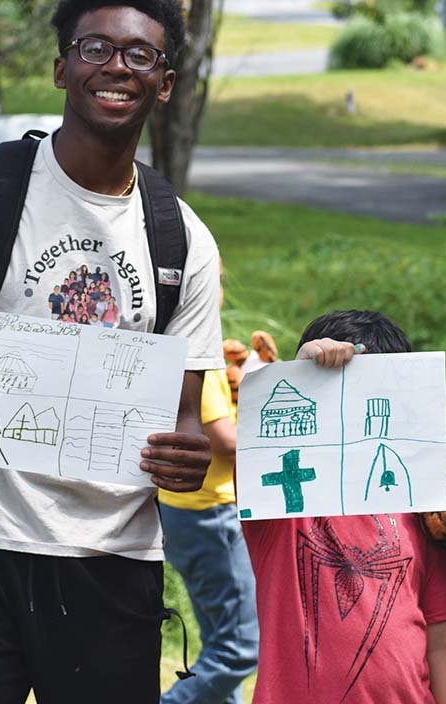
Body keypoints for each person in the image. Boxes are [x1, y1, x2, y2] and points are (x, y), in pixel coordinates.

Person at [0, 0, 222, 702]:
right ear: (63, 65)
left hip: (112, 562)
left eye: (141, 55)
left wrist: (186, 458)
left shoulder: (183, 240)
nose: (117, 67)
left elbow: (184, 421)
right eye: (97, 47)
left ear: (164, 84)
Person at [242, 310, 446, 704]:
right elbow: (261, 450)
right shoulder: (283, 505)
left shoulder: (420, 510)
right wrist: (300, 374)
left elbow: (442, 641)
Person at [159, 257, 258, 704]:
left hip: (180, 512)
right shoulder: (201, 353)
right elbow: (224, 441)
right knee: (240, 648)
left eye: (217, 280)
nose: (215, 292)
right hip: (211, 515)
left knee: (220, 638)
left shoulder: (167, 345)